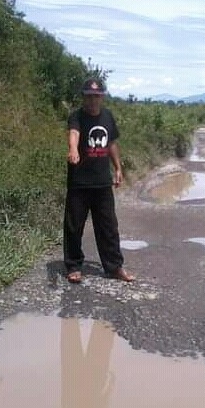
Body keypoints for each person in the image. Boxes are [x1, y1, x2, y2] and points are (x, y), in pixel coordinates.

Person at [63, 77, 135, 284]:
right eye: (89, 96)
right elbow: (74, 133)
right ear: (84, 97)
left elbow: (111, 143)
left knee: (108, 227)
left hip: (102, 182)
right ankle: (74, 266)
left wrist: (118, 168)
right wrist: (73, 149)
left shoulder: (108, 116)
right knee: (74, 226)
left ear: (101, 97)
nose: (92, 100)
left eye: (96, 96)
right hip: (80, 181)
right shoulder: (76, 116)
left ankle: (114, 267)